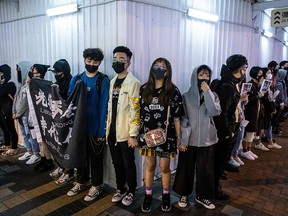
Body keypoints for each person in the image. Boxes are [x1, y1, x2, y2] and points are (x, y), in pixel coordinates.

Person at [138, 57, 184, 212]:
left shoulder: (173, 91)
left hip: (167, 136)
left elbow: (177, 118)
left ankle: (166, 195)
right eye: (156, 66)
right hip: (148, 135)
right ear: (152, 69)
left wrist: (179, 138)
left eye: (162, 67)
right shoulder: (144, 89)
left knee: (165, 167)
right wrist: (134, 134)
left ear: (167, 72)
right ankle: (148, 195)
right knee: (150, 165)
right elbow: (137, 114)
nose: (158, 68)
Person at [173, 65, 221, 209]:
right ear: (195, 77)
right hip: (189, 141)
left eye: (207, 75)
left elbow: (215, 112)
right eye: (201, 75)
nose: (204, 77)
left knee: (205, 170)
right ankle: (184, 194)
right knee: (185, 169)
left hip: (207, 140)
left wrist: (208, 93)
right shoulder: (186, 97)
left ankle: (202, 196)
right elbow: (183, 120)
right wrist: (183, 140)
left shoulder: (213, 95)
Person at [66, 48, 110, 202]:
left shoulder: (102, 80)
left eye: (95, 61)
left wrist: (101, 132)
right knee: (80, 158)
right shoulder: (77, 78)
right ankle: (81, 182)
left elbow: (105, 106)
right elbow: (70, 102)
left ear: (99, 63)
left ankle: (96, 185)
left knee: (96, 160)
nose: (92, 64)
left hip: (95, 129)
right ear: (84, 60)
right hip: (79, 128)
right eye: (89, 61)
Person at [106, 46, 141, 206]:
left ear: (128, 62)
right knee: (117, 163)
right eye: (115, 59)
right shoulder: (113, 81)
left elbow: (136, 110)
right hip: (112, 132)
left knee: (128, 164)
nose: (117, 62)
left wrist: (133, 134)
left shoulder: (134, 83)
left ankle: (131, 191)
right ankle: (120, 188)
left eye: (121, 59)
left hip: (126, 134)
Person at [212, 54, 247, 200]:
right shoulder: (227, 86)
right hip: (223, 132)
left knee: (219, 161)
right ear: (238, 69)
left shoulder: (224, 82)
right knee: (217, 162)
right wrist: (227, 133)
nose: (244, 72)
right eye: (244, 68)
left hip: (224, 130)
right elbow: (222, 114)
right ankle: (214, 190)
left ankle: (214, 185)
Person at [49, 59, 75, 185]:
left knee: (67, 147)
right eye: (55, 72)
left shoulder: (72, 82)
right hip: (58, 120)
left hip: (69, 121)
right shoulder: (56, 83)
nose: (56, 74)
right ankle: (61, 166)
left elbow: (70, 99)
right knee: (59, 144)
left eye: (58, 72)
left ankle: (68, 172)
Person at [27, 64, 54, 172]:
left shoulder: (44, 85)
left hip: (43, 116)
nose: (32, 74)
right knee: (39, 139)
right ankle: (43, 158)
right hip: (33, 115)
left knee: (43, 139)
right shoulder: (31, 84)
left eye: (34, 72)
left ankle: (48, 160)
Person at [12, 61, 41, 164]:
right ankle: (29, 151)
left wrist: (17, 113)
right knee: (24, 134)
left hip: (26, 115)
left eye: (20, 71)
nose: (19, 73)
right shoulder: (21, 86)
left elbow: (25, 102)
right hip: (19, 115)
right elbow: (16, 99)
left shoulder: (30, 86)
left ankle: (36, 153)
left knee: (30, 134)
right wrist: (14, 111)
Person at [240, 67, 265, 160]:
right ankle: (244, 150)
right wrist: (258, 95)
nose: (260, 75)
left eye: (261, 74)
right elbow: (248, 100)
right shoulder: (250, 84)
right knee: (249, 132)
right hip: (249, 112)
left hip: (256, 111)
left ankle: (249, 149)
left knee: (253, 132)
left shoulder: (257, 84)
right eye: (259, 73)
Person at [0, 64, 18, 155]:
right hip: (1, 110)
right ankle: (7, 144)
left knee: (11, 129)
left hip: (8, 110)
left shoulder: (10, 85)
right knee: (4, 128)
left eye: (1, 74)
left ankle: (14, 148)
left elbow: (2, 93)